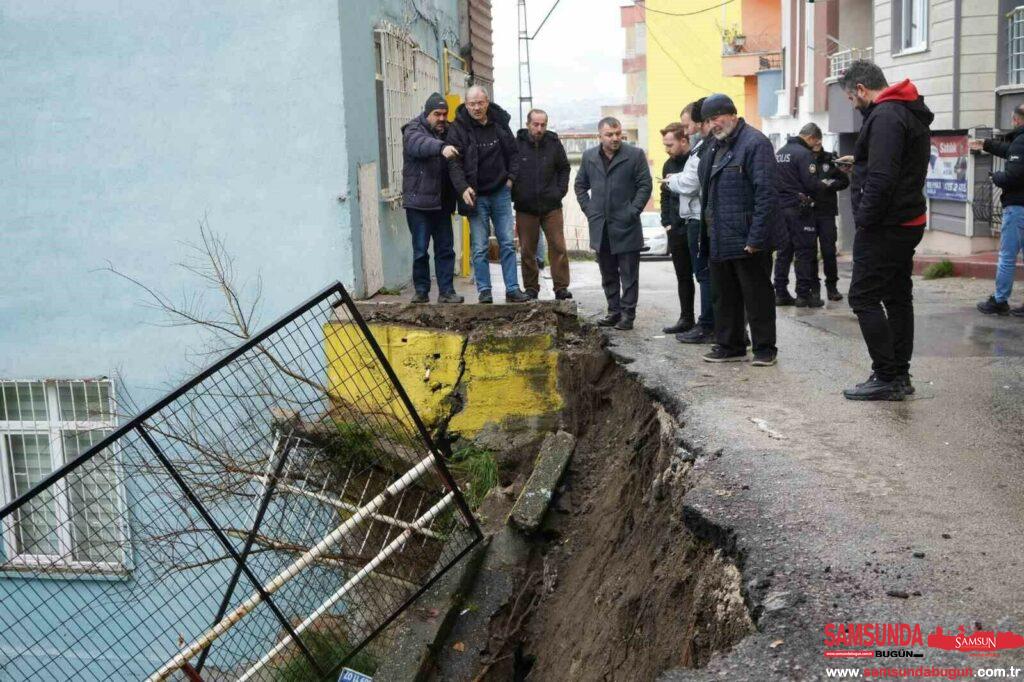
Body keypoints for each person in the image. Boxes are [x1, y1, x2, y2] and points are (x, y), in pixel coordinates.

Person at [838, 60, 933, 401]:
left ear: (861, 89)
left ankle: (887, 375)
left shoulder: (886, 116)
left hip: (886, 224)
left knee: (862, 297)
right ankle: (899, 374)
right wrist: (860, 163)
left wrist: (864, 220)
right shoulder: (904, 111)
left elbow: (882, 177)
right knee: (896, 296)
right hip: (905, 219)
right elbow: (891, 166)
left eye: (851, 98)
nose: (853, 104)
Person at [696, 94, 780, 366]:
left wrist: (757, 237)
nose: (712, 125)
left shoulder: (755, 143)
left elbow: (766, 193)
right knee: (724, 296)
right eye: (707, 121)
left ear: (732, 114)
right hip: (718, 235)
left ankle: (765, 349)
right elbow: (706, 190)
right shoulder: (712, 146)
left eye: (715, 118)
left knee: (757, 297)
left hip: (747, 238)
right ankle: (729, 345)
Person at [447, 85, 531, 304]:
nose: (476, 108)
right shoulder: (457, 128)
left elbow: (514, 154)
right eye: (472, 104)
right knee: (480, 247)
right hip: (475, 196)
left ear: (487, 102)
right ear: (466, 105)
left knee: (507, 243)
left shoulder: (499, 123)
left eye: (480, 103)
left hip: (500, 193)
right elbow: (453, 163)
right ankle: (484, 290)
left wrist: (511, 179)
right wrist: (463, 188)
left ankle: (512, 289)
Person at [575, 116, 653, 330]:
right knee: (607, 272)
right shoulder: (589, 157)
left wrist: (633, 210)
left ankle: (628, 315)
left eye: (618, 133)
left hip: (626, 225)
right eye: (610, 134)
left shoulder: (635, 155)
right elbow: (580, 185)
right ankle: (614, 311)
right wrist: (589, 210)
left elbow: (645, 185)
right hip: (601, 226)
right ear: (599, 136)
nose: (615, 138)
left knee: (629, 275)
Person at [401, 92, 464, 304]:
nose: (442, 118)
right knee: (420, 250)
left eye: (445, 114)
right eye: (437, 114)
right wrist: (441, 147)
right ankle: (421, 292)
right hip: (418, 203)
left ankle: (446, 292)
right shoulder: (412, 129)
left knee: (445, 249)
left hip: (442, 204)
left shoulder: (449, 131)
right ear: (427, 113)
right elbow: (418, 145)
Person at [664, 99, 715, 344]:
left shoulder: (704, 147)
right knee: (696, 274)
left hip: (698, 218)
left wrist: (671, 181)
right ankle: (703, 323)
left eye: (687, 125)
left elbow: (690, 183)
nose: (686, 130)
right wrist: (668, 223)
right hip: (690, 219)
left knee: (704, 274)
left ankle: (708, 326)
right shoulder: (701, 147)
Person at [512, 108, 573, 300]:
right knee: (527, 250)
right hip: (525, 207)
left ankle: (561, 287)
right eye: (536, 124)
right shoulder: (517, 145)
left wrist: (559, 192)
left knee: (558, 246)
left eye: (543, 125)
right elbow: (510, 170)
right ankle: (531, 288)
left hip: (551, 206)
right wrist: (517, 195)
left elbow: (564, 168)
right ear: (528, 124)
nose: (539, 129)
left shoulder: (554, 143)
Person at [972, 104, 1024, 316]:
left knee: (1007, 256)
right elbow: (1010, 151)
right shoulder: (1018, 143)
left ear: (1017, 120)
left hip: (1018, 208)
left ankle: (1000, 300)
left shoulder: (1021, 141)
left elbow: (1013, 176)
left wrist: (996, 177)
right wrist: (986, 144)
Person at [774, 123, 832, 308]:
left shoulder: (780, 153)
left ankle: (780, 293)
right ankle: (803, 294)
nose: (815, 146)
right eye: (816, 142)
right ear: (812, 137)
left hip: (781, 210)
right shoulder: (804, 154)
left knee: (783, 252)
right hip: (800, 210)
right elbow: (810, 183)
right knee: (804, 252)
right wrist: (825, 184)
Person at [659, 121, 694, 333]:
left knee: (705, 276)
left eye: (670, 145)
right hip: (676, 229)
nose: (667, 149)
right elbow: (664, 195)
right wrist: (667, 223)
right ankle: (686, 318)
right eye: (664, 145)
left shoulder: (695, 160)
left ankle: (709, 321)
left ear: (683, 140)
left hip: (695, 225)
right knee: (683, 276)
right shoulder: (668, 164)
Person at [811, 138, 851, 301]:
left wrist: (830, 185)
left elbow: (844, 180)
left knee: (828, 252)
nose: (816, 145)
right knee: (810, 253)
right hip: (808, 213)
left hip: (826, 212)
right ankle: (814, 288)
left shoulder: (829, 160)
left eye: (818, 142)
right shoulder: (803, 159)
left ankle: (832, 287)